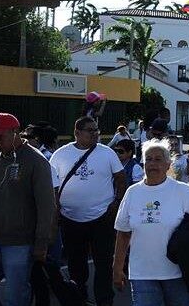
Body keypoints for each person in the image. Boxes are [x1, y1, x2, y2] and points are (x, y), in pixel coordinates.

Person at [113, 139, 189, 305]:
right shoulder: (133, 192)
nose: (152, 163)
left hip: (176, 273)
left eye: (158, 159)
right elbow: (123, 233)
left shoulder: (181, 190)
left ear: (168, 164)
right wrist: (117, 269)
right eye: (148, 159)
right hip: (142, 274)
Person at [50, 116, 126, 306]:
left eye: (96, 130)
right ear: (77, 133)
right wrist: (56, 211)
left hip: (102, 218)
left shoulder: (107, 153)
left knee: (103, 263)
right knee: (76, 265)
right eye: (90, 130)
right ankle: (79, 299)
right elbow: (52, 187)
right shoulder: (60, 155)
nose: (95, 134)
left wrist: (116, 203)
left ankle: (104, 301)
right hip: (70, 219)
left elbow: (121, 178)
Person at [0, 113, 56, 306]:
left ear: (15, 132)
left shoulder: (35, 160)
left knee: (15, 297)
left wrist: (41, 242)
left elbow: (46, 205)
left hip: (18, 243)